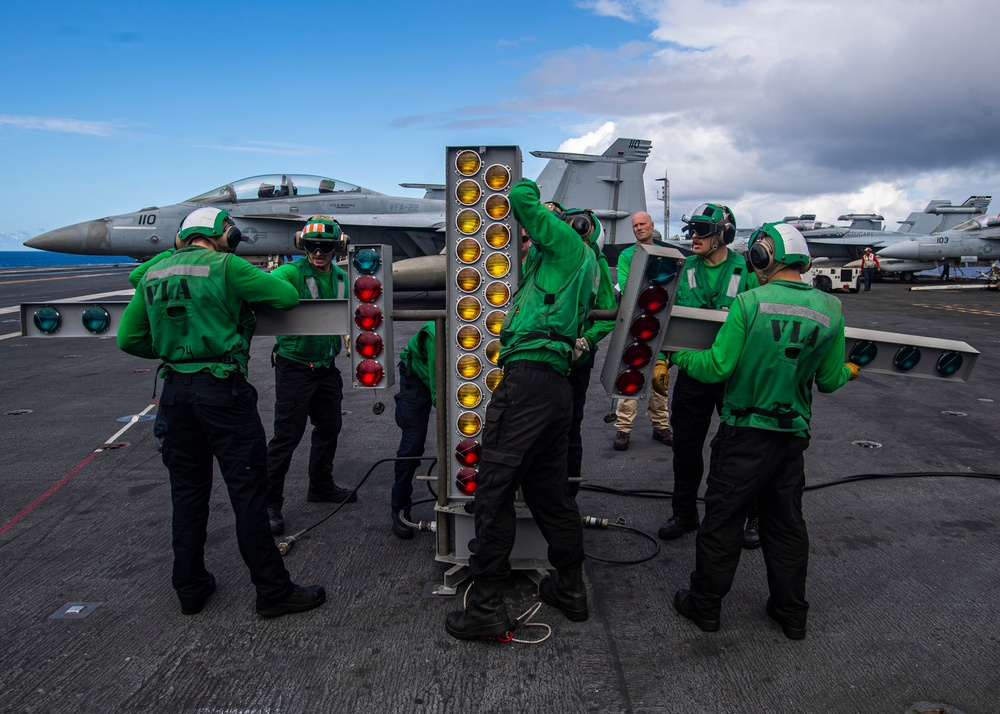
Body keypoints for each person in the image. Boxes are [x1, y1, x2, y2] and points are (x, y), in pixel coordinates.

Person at [117, 206, 325, 618]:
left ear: (181, 238)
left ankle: (190, 589)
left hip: (175, 395)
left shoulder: (155, 274)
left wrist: (170, 349)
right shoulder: (226, 265)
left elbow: (128, 338)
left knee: (188, 495)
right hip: (222, 393)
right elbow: (285, 296)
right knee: (248, 496)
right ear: (225, 235)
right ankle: (272, 591)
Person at [670, 222, 858, 639]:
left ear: (762, 257)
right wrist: (850, 369)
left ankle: (705, 608)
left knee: (722, 523)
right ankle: (791, 614)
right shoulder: (831, 310)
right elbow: (828, 381)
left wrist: (679, 355)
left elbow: (716, 366)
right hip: (791, 436)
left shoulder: (751, 302)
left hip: (744, 433)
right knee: (786, 526)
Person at [445, 180, 598, 640]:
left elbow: (523, 201)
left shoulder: (569, 246)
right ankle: (570, 589)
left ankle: (486, 607)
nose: (531, 236)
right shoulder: (576, 265)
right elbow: (606, 309)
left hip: (528, 381)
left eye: (541, 229)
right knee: (549, 494)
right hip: (554, 387)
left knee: (492, 490)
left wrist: (524, 184)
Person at [656, 203, 762, 549]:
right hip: (693, 374)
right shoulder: (683, 269)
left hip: (735, 376)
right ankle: (685, 514)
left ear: (724, 235)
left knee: (739, 451)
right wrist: (662, 360)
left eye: (702, 230)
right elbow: (666, 321)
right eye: (692, 230)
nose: (693, 237)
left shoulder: (747, 272)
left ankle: (749, 517)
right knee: (685, 450)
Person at [265, 216, 354, 537]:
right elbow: (267, 287)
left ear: (336, 247)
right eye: (312, 247)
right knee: (286, 436)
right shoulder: (291, 272)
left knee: (330, 427)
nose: (319, 252)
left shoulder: (343, 277)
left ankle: (321, 485)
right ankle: (269, 504)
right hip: (295, 367)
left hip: (326, 368)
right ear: (302, 247)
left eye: (326, 247)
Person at [612, 211, 672, 451]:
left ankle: (661, 426)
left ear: (651, 226)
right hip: (636, 324)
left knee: (659, 378)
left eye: (642, 224)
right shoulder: (628, 256)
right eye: (635, 225)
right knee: (630, 375)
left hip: (658, 322)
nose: (638, 228)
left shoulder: (665, 254)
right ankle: (623, 429)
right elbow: (628, 286)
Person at [391, 320, 437, 539]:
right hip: (417, 378)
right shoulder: (437, 334)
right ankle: (399, 508)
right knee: (412, 444)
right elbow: (439, 392)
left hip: (444, 372)